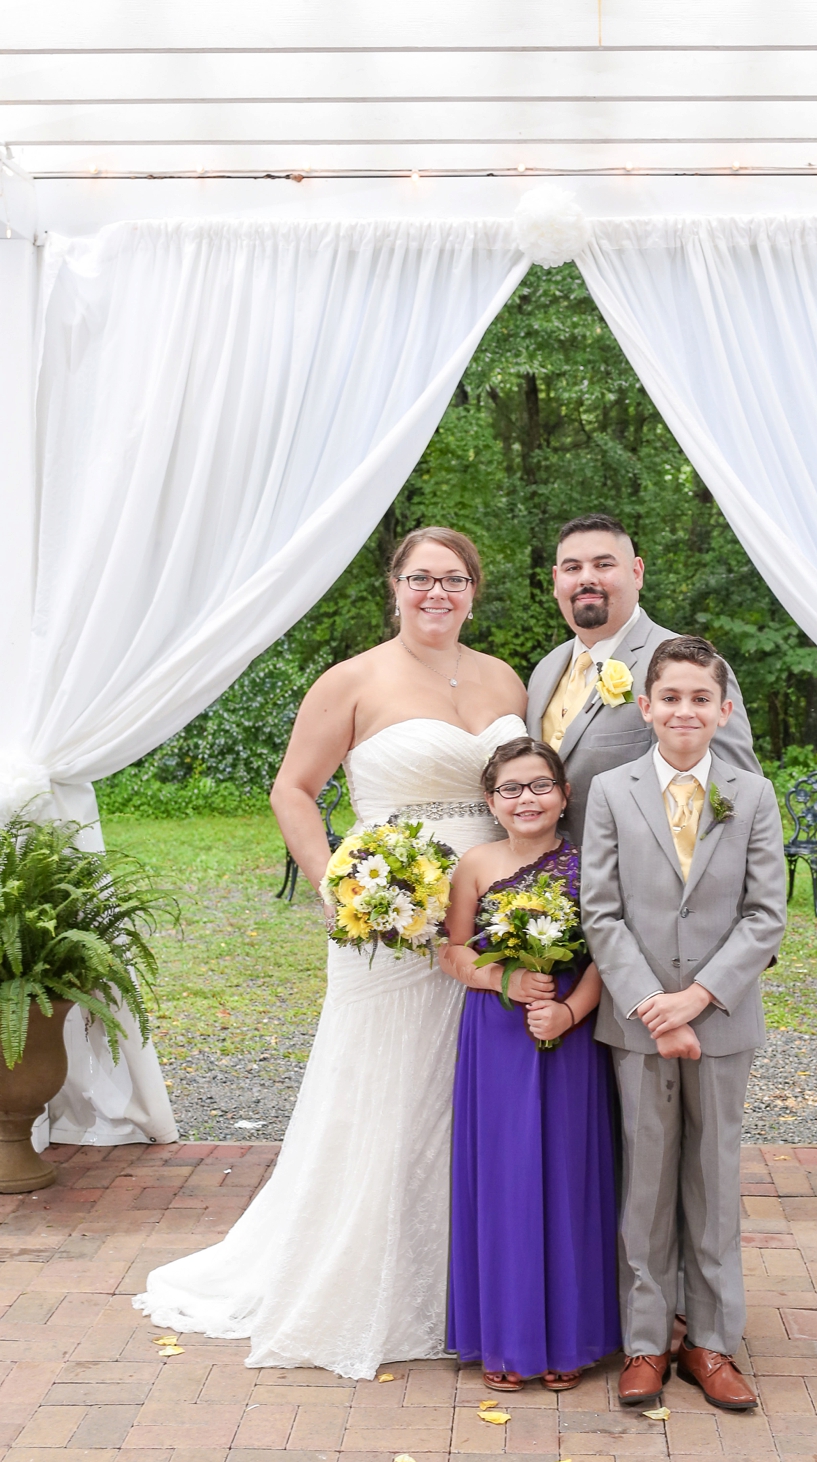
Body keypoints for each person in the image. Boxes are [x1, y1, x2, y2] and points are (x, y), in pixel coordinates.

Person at [134, 528, 528, 1379]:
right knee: (382, 1089)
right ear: (394, 585)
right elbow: (294, 789)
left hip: (488, 913)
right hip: (388, 920)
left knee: (469, 1095)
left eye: (454, 579)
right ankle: (369, 1280)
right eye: (421, 578)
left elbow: (520, 789)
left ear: (473, 590)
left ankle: (474, 1280)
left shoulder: (504, 679)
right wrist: (336, 883)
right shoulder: (351, 680)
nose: (437, 593)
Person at [580, 635, 787, 1413]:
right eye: (670, 697)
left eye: (701, 698)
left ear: (723, 709)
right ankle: (644, 1342)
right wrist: (649, 1005)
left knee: (713, 1179)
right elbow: (601, 911)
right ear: (645, 707)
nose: (684, 711)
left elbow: (765, 915)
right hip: (637, 1025)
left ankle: (711, 1340)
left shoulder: (752, 795)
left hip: (721, 1022)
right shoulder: (610, 791)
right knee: (645, 1181)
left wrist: (695, 999)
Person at [441, 737, 620, 1391]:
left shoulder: (589, 863)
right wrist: (503, 981)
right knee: (507, 1182)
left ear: (565, 794)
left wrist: (570, 1012)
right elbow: (453, 953)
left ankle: (569, 1339)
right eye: (511, 789)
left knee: (568, 1181)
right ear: (491, 802)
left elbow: (607, 954)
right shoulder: (476, 865)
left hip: (569, 1034)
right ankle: (507, 1341)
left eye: (540, 785)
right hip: (498, 1039)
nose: (527, 799)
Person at [525, 515, 761, 847]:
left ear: (637, 573)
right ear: (555, 580)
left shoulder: (693, 666)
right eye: (572, 568)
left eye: (603, 564)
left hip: (643, 886)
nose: (586, 578)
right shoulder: (545, 670)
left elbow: (736, 791)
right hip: (549, 885)